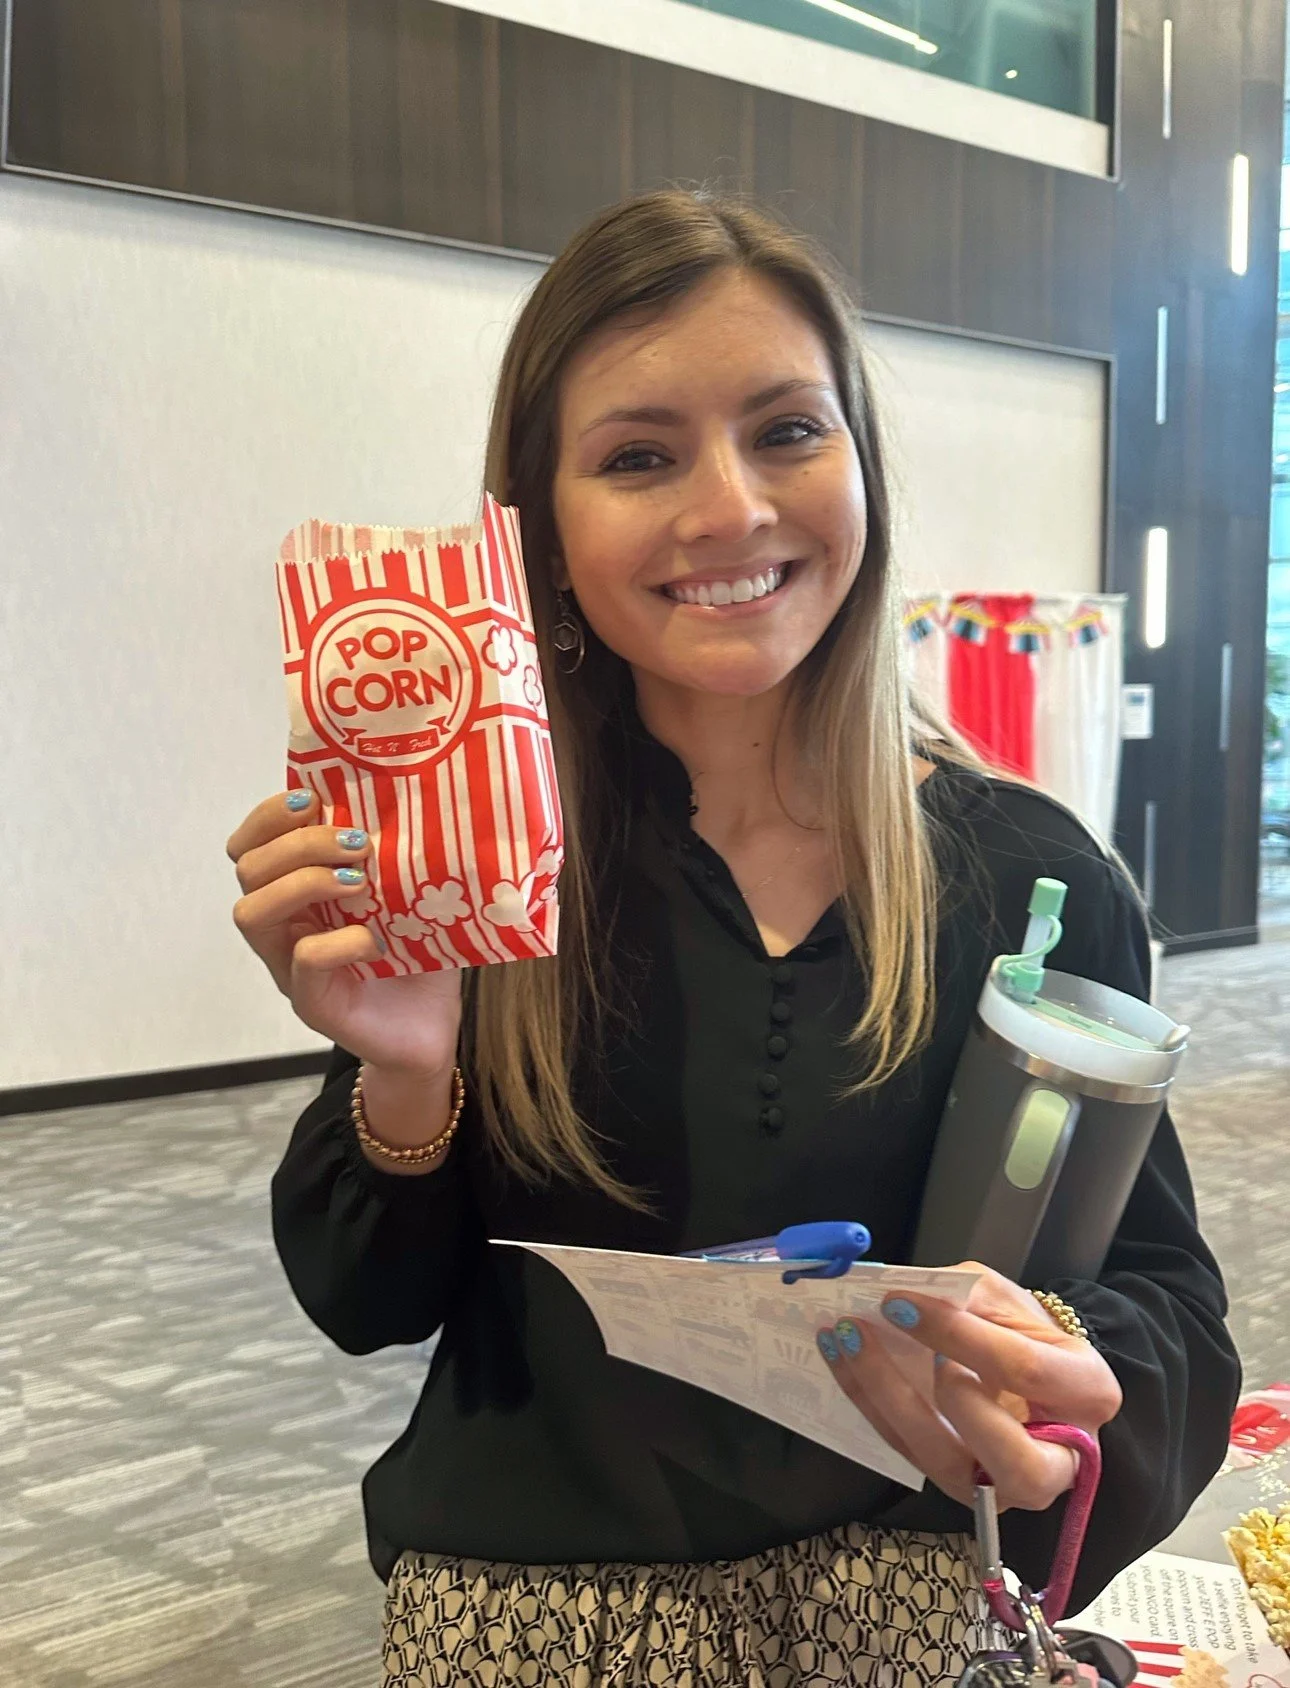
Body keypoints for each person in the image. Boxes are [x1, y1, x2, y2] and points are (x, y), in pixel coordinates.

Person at [226, 191, 1240, 1686]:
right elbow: (369, 1306)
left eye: (785, 431)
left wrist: (1069, 1373)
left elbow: (1162, 1298)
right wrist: (400, 1077)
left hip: (899, 1588)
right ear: (541, 527)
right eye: (638, 456)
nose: (729, 509)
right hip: (535, 1605)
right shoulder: (490, 859)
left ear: (862, 470)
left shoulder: (1030, 879)